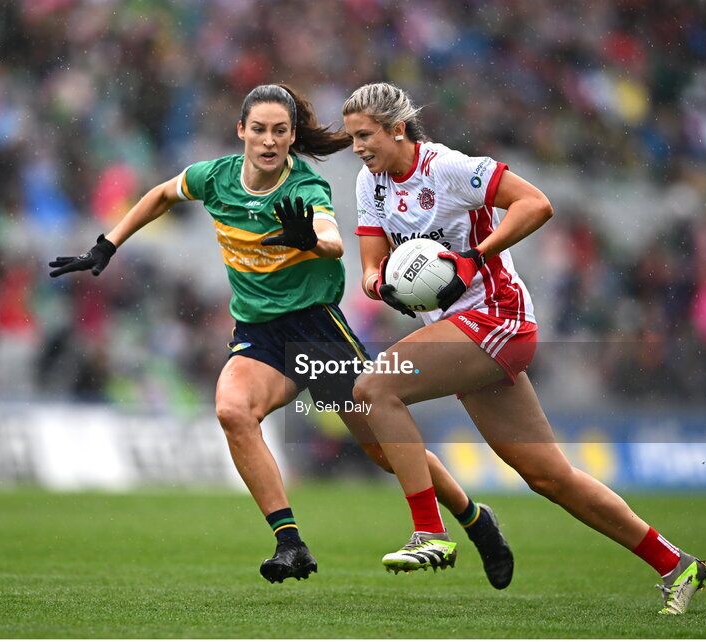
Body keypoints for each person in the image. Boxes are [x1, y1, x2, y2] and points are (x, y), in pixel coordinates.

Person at [49, 84, 514, 588]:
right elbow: (162, 194)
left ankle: (474, 519)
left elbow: (335, 243)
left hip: (317, 332)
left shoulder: (305, 188)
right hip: (259, 334)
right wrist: (108, 244)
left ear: (292, 137)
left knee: (383, 453)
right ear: (241, 131)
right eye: (259, 130)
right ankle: (289, 542)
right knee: (232, 410)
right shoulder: (216, 177)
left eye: (280, 132)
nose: (269, 141)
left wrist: (310, 239)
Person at [343, 82, 706, 615]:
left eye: (364, 135)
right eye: (352, 138)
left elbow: (535, 203)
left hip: (497, 320)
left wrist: (472, 258)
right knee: (548, 477)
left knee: (373, 388)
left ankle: (430, 530)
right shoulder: (369, 181)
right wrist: (384, 285)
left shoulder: (446, 168)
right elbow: (372, 262)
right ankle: (678, 564)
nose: (357, 147)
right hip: (460, 332)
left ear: (397, 129)